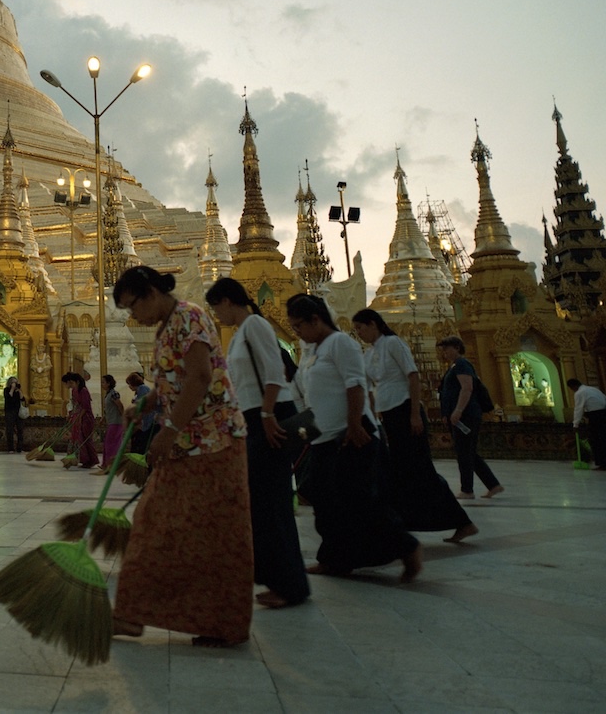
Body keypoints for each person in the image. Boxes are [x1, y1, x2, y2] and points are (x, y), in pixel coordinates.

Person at [110, 265, 253, 648]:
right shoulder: (166, 327)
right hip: (188, 444)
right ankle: (132, 613)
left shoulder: (189, 317)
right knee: (154, 521)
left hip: (214, 442)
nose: (133, 316)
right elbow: (171, 381)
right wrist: (147, 405)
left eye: (132, 306)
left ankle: (220, 622)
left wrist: (169, 430)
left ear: (151, 292)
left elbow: (201, 376)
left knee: (214, 533)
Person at [286, 294, 422, 582]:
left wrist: (353, 424)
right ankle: (335, 559)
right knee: (323, 501)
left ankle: (407, 548)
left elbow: (355, 384)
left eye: (299, 325)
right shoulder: (310, 352)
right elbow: (308, 397)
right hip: (323, 438)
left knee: (361, 500)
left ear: (315, 319)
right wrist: (304, 436)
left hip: (351, 434)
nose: (297, 332)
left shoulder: (340, 343)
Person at [207, 277, 310, 609]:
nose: (216, 315)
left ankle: (290, 585)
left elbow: (274, 373)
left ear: (227, 301)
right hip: (254, 417)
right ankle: (281, 579)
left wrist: (267, 416)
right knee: (263, 503)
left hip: (270, 416)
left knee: (273, 503)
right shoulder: (242, 332)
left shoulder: (255, 326)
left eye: (216, 307)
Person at [353, 309, 477, 543]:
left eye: (360, 327)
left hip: (406, 410)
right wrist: (370, 419)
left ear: (372, 324)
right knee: (399, 471)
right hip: (388, 415)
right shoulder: (368, 355)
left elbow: (412, 376)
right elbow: (367, 389)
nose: (358, 333)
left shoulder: (393, 344)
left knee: (421, 470)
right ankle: (405, 522)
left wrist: (415, 415)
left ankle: (463, 522)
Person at [437, 336, 503, 499]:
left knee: (464, 452)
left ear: (457, 348)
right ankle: (493, 485)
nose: (444, 352)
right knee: (468, 452)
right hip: (459, 415)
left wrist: (458, 410)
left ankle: (467, 489)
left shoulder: (462, 364)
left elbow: (467, 388)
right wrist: (447, 413)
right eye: (443, 349)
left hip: (466, 415)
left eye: (447, 348)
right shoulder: (453, 366)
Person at [568, 378, 606, 471]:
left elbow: (578, 408)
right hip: (605, 415)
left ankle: (602, 464)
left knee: (597, 440)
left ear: (573, 386)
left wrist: (575, 424)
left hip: (595, 417)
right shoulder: (593, 389)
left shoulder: (579, 393)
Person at [61, 373, 99, 469]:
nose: (70, 384)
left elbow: (85, 407)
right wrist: (72, 415)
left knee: (85, 438)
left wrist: (79, 417)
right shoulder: (75, 391)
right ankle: (83, 459)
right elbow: (75, 405)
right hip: (78, 417)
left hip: (85, 418)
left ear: (77, 382)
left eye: (72, 382)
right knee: (78, 438)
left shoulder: (83, 391)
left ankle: (91, 460)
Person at [125, 371, 155, 454]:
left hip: (147, 421)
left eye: (129, 384)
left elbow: (142, 406)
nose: (129, 387)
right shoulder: (140, 390)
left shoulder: (142, 389)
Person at [100, 374, 124, 467]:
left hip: (116, 422)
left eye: (103, 382)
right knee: (108, 442)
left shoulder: (114, 393)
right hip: (111, 421)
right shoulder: (108, 394)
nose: (102, 384)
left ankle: (111, 463)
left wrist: (123, 417)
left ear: (109, 383)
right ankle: (106, 463)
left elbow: (120, 405)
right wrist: (104, 417)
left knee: (111, 443)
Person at [3, 375, 28, 453]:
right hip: (10, 412)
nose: (15, 384)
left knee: (20, 430)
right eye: (13, 382)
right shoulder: (6, 390)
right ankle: (10, 448)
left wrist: (19, 391)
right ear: (10, 383)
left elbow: (22, 399)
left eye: (16, 382)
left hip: (18, 412)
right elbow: (8, 397)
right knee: (10, 430)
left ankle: (19, 447)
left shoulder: (18, 391)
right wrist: (12, 389)